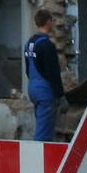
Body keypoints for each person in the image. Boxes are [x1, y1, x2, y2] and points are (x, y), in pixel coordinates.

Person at [24, 8, 64, 141]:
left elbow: (28, 69)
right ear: (48, 22)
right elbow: (52, 73)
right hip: (45, 91)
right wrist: (60, 95)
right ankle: (37, 159)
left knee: (42, 124)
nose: (53, 23)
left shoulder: (29, 43)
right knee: (44, 133)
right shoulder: (47, 45)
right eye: (52, 20)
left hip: (32, 88)